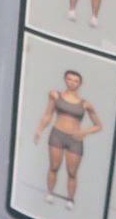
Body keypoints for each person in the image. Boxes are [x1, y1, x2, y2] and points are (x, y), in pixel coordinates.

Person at [30, 70, 102, 210]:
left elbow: (98, 125)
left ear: (80, 84)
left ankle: (70, 199)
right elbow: (48, 115)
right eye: (69, 79)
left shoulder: (85, 104)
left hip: (75, 139)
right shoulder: (55, 95)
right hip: (57, 134)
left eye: (75, 80)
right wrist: (40, 130)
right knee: (54, 166)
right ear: (64, 79)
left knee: (72, 172)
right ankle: (50, 193)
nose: (72, 83)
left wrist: (84, 132)